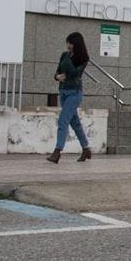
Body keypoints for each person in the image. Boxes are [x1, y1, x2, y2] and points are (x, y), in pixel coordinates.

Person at [47, 32, 91, 163]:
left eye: (70, 43)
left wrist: (67, 66)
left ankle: (57, 151)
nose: (68, 45)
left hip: (75, 93)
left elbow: (75, 73)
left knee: (63, 120)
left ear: (75, 44)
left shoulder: (83, 58)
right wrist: (57, 76)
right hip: (63, 91)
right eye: (67, 42)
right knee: (75, 123)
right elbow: (58, 71)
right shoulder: (64, 55)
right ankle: (86, 149)